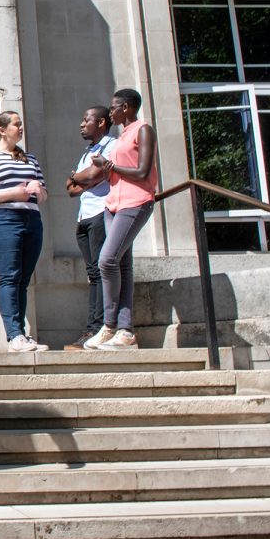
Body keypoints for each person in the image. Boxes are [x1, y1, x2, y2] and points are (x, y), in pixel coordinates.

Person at [81, 88, 159, 351]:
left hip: (135, 202)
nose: (110, 111)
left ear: (126, 107)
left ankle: (110, 325)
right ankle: (124, 331)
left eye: (114, 107)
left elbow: (142, 170)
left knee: (107, 260)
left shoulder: (143, 129)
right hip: (113, 204)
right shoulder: (122, 135)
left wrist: (109, 166)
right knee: (122, 266)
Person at [0, 110, 50, 353]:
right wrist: (13, 193)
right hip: (1, 219)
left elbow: (43, 197)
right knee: (10, 276)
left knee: (23, 279)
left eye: (21, 124)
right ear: (2, 130)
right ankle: (13, 335)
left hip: (31, 218)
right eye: (16, 125)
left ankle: (21, 335)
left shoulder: (30, 159)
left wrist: (38, 189)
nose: (21, 128)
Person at [63, 107, 116, 350]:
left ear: (102, 122)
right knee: (92, 273)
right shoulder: (88, 153)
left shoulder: (111, 145)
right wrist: (82, 177)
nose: (82, 124)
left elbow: (96, 174)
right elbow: (71, 188)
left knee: (100, 272)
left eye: (87, 120)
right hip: (84, 216)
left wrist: (82, 177)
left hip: (100, 213)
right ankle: (93, 328)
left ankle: (99, 327)